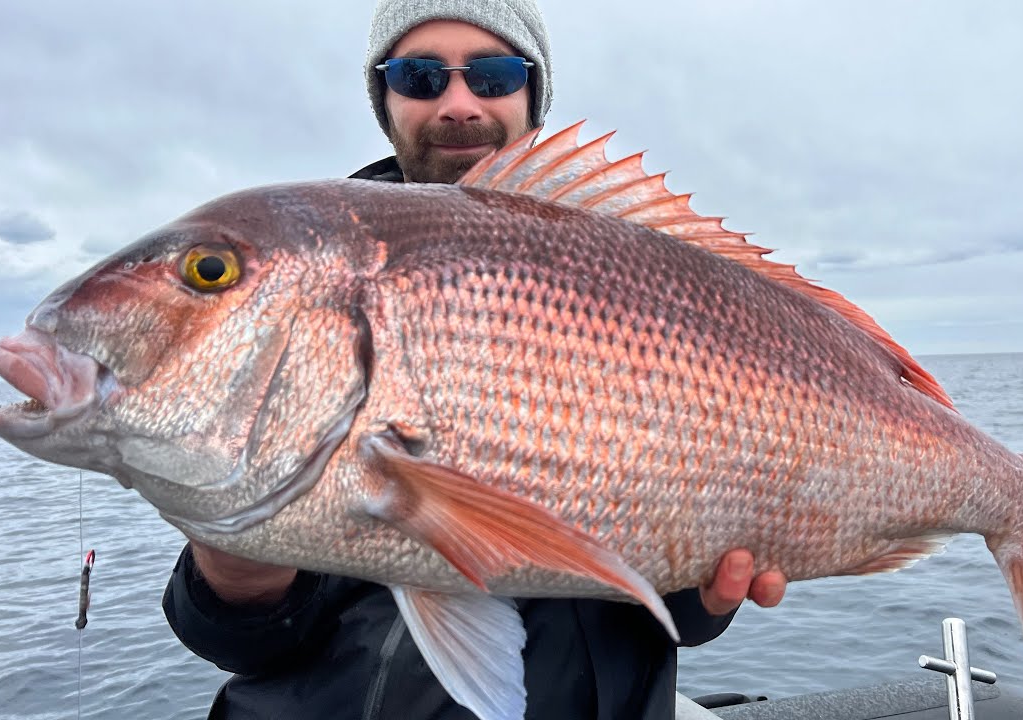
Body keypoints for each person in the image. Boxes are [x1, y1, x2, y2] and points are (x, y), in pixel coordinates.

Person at [162, 1, 788, 718]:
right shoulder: (308, 266)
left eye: (491, 75)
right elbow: (237, 640)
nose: (458, 103)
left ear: (531, 93)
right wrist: (234, 571)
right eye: (420, 75)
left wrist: (706, 591)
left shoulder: (649, 264)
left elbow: (676, 618)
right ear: (385, 98)